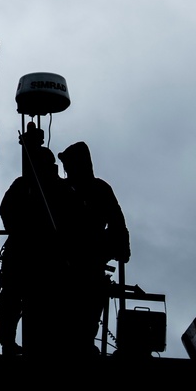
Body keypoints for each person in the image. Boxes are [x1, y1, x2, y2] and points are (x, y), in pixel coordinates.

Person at [0, 135, 70, 355]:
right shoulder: (23, 184)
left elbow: (71, 217)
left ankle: (50, 344)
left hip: (48, 254)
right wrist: (20, 229)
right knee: (10, 299)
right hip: (21, 250)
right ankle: (8, 341)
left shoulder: (60, 189)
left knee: (47, 301)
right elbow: (6, 210)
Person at [57, 141, 130, 348]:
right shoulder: (61, 189)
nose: (67, 168)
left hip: (90, 260)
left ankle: (85, 343)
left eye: (70, 163)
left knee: (88, 309)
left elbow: (117, 222)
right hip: (63, 259)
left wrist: (120, 247)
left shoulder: (99, 189)